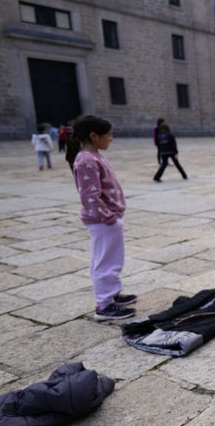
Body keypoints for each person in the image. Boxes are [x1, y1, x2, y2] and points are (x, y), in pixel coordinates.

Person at [65, 115, 136, 321]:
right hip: (104, 220)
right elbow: (89, 196)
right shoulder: (86, 160)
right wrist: (108, 218)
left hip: (109, 218)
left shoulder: (94, 156)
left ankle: (112, 294)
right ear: (94, 136)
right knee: (106, 262)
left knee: (112, 259)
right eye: (108, 135)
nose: (110, 139)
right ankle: (104, 305)